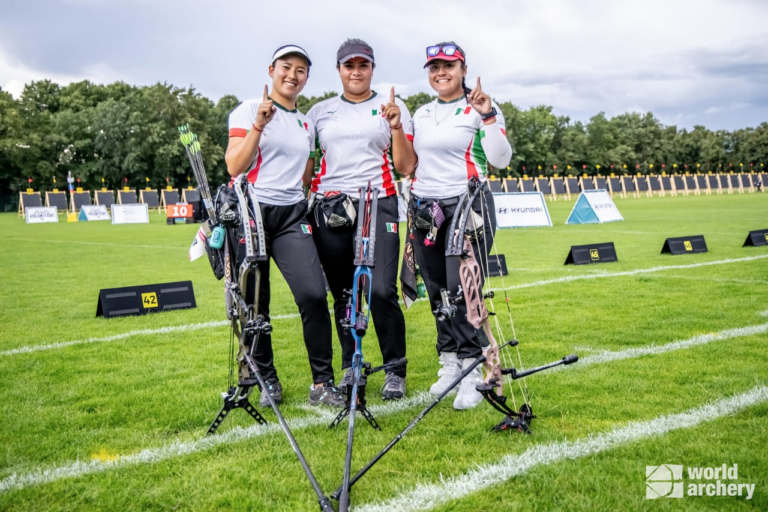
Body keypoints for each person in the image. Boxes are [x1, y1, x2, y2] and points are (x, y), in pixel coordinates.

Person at [225, 44, 344, 408]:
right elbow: (234, 166)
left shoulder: (306, 122)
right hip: (253, 212)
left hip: (293, 214)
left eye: (301, 70)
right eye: (286, 67)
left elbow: (306, 175)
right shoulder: (247, 109)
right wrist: (259, 125)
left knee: (312, 294)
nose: (293, 75)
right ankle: (267, 380)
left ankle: (322, 384)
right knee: (255, 304)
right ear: (271, 70)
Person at [305, 38, 417, 400]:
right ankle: (352, 366)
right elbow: (307, 168)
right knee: (344, 295)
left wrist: (397, 125)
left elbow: (406, 166)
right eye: (349, 65)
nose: (356, 71)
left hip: (379, 202)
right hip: (332, 208)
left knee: (383, 291)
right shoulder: (319, 112)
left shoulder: (391, 107)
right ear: (338, 70)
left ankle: (394, 371)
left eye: (363, 65)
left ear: (372, 69)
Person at [406, 41, 512, 409]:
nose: (440, 73)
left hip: (468, 205)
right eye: (434, 67)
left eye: (448, 66)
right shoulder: (420, 113)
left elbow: (500, 158)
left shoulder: (480, 105)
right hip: (426, 209)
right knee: (437, 290)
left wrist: (488, 117)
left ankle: (472, 371)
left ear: (463, 69)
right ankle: (449, 364)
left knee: (463, 289)